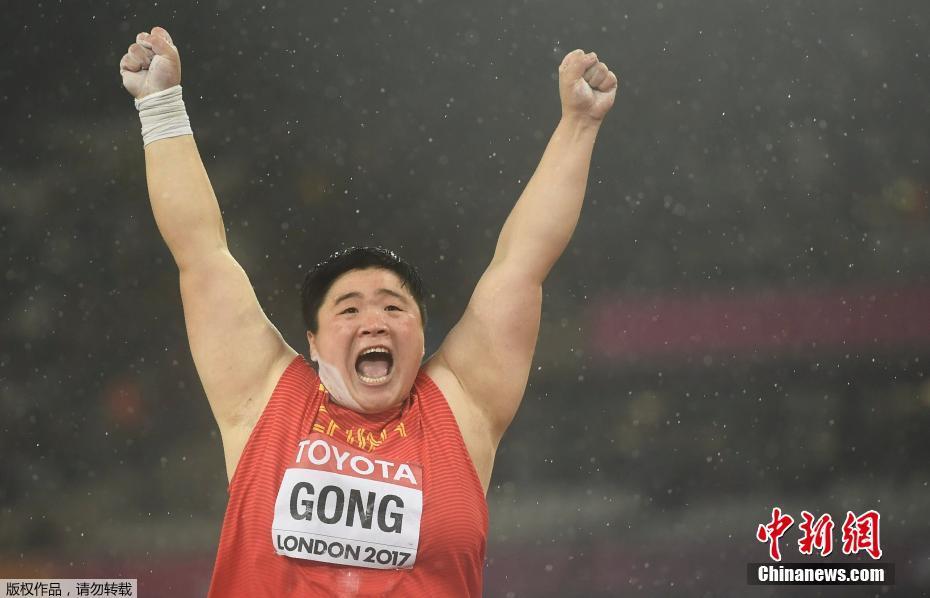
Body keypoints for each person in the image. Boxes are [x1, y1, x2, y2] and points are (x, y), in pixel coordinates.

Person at [119, 25, 618, 597]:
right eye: (349, 309)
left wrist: (580, 124)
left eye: (393, 306)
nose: (373, 321)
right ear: (311, 341)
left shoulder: (462, 405)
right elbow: (201, 253)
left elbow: (522, 263)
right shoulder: (263, 397)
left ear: (423, 335)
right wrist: (160, 105)